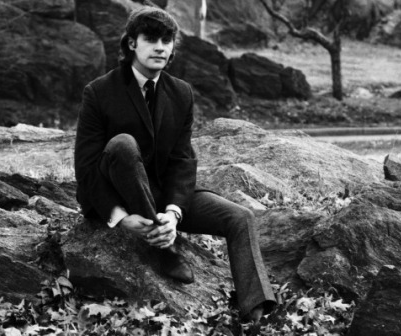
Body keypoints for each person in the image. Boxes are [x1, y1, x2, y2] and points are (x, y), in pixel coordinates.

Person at [74, 6, 275, 322]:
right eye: (151, 38)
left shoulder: (181, 92)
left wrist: (173, 213)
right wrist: (121, 217)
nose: (159, 47)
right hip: (118, 194)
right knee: (123, 145)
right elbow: (85, 169)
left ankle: (257, 311)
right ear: (131, 44)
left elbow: (183, 160)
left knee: (240, 217)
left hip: (163, 196)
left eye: (166, 40)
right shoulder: (99, 91)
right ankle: (163, 249)